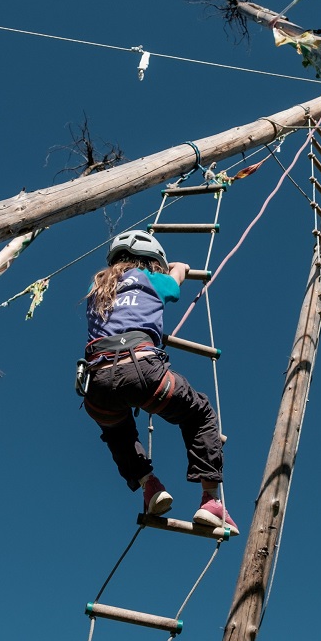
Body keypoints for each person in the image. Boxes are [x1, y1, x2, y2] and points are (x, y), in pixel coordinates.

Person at [80, 229, 238, 535]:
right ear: (153, 261)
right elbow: (175, 283)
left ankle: (148, 485)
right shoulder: (152, 279)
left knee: (117, 432)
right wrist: (180, 267)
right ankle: (210, 501)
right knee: (200, 413)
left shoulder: (97, 287)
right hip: (142, 370)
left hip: (96, 382)